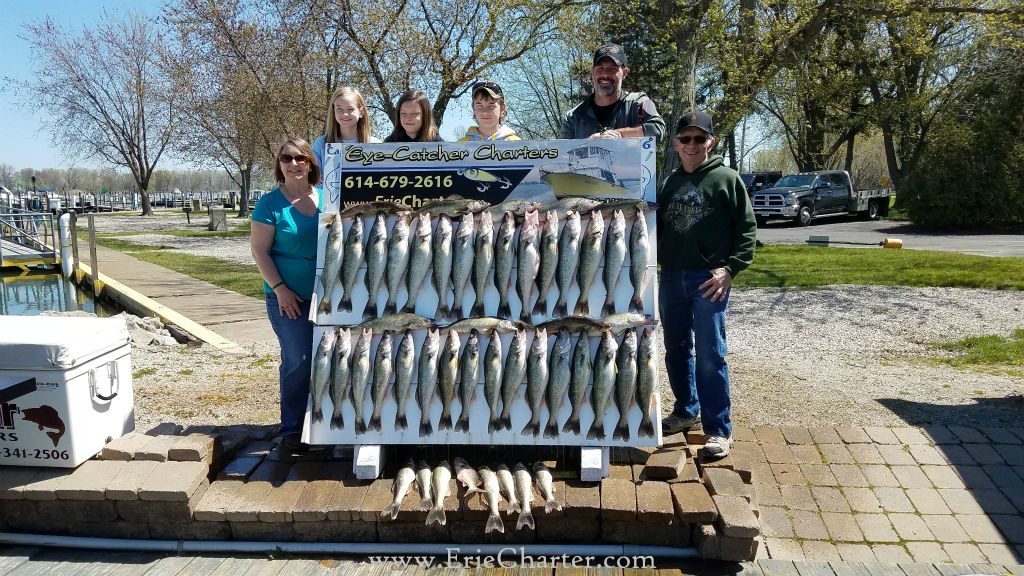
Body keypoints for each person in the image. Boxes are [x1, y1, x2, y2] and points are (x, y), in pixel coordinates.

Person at [657, 111, 756, 458]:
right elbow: (654, 231)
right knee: (676, 349)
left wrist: (730, 269)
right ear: (676, 143)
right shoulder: (667, 183)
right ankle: (686, 410)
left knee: (711, 355)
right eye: (686, 139)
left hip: (709, 280)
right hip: (670, 276)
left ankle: (719, 429)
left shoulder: (726, 179)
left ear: (711, 143)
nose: (693, 145)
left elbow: (747, 230)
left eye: (700, 139)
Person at [250, 137, 323, 452]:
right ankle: (292, 429)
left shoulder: (327, 197)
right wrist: (280, 290)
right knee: (298, 360)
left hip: (326, 298)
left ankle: (324, 425)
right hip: (287, 297)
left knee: (329, 361)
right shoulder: (269, 203)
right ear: (279, 165)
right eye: (287, 158)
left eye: (300, 158)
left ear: (311, 163)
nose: (294, 164)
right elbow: (260, 252)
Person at [560, 42, 665, 144]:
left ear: (624, 73)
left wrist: (618, 134)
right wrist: (588, 144)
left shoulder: (638, 101)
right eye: (600, 69)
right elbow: (562, 154)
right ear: (592, 72)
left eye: (612, 69)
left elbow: (657, 129)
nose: (605, 74)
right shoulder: (573, 116)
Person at [313, 86, 382, 169]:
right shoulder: (321, 144)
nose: (345, 114)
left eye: (350, 109)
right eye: (339, 109)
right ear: (333, 110)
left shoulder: (375, 144)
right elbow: (315, 180)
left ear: (361, 112)